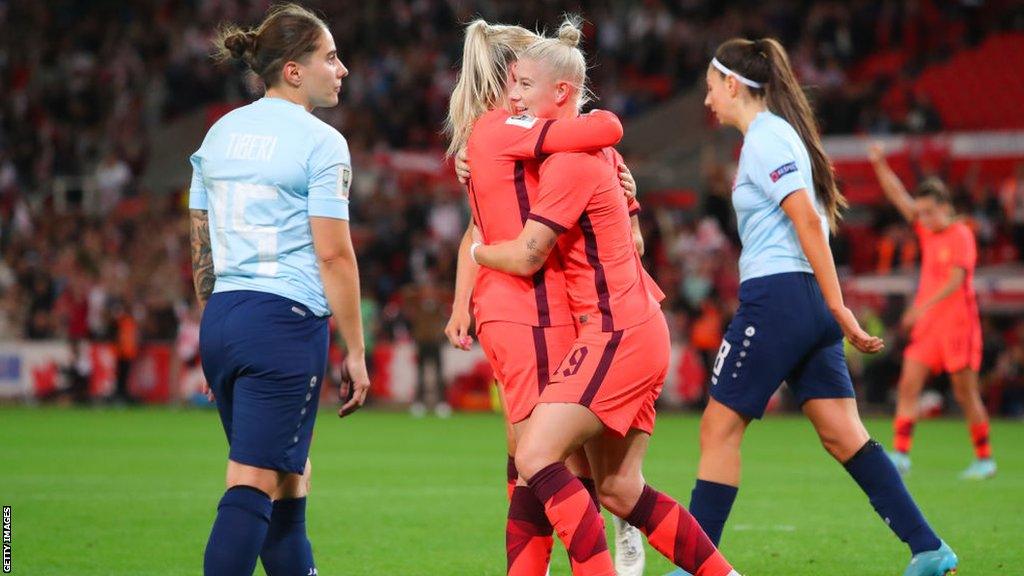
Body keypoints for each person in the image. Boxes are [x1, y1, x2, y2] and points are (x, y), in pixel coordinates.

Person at [666, 38, 957, 576]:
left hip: (778, 298)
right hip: (802, 301)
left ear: (733, 84)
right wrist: (828, 306)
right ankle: (929, 550)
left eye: (710, 89)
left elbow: (805, 220)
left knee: (718, 429)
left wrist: (838, 305)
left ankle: (693, 567)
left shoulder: (764, 140)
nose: (707, 101)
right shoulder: (782, 135)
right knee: (843, 432)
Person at [472, 20, 740, 576]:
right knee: (619, 489)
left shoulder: (570, 160)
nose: (512, 97)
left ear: (561, 94)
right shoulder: (594, 155)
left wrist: (478, 253)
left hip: (613, 332)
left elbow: (525, 255)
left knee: (534, 456)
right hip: (636, 322)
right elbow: (635, 237)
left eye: (522, 86)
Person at [443, 18, 647, 576]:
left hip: (554, 305)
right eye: (518, 81)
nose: (519, 91)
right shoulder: (507, 131)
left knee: (538, 452)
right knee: (539, 453)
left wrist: (623, 181)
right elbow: (482, 230)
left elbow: (629, 230)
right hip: (526, 304)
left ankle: (558, 556)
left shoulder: (500, 136)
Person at [188, 5, 370, 575]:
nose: (341, 70)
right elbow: (334, 253)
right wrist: (357, 352)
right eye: (330, 57)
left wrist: (215, 334)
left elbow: (202, 244)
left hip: (223, 317)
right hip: (283, 322)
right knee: (253, 481)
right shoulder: (321, 143)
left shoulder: (219, 133)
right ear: (294, 70)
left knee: (290, 478)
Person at [869, 143, 996, 480]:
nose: (921, 218)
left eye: (927, 211)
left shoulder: (961, 235)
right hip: (929, 325)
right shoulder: (928, 228)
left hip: (958, 324)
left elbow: (956, 281)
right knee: (909, 384)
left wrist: (918, 307)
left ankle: (985, 459)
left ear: (944, 207)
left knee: (964, 392)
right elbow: (899, 196)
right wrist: (880, 163)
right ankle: (901, 455)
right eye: (920, 212)